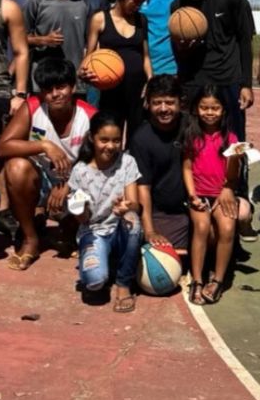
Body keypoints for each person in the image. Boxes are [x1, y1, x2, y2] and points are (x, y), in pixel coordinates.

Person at [0, 59, 96, 269]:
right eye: (48, 89)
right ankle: (30, 238)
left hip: (77, 181)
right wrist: (44, 146)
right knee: (15, 167)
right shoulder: (33, 107)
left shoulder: (89, 116)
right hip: (42, 178)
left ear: (73, 87)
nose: (55, 94)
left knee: (93, 190)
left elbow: (98, 164)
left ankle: (71, 230)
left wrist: (68, 185)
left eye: (61, 87)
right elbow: (3, 147)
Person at [171, 0, 254, 140]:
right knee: (195, 138)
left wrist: (246, 84)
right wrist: (183, 48)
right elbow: (178, 53)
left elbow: (243, 40)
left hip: (229, 78)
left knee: (234, 138)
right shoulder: (178, 6)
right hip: (195, 81)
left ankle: (239, 171)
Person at [68, 112, 142, 313]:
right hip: (94, 232)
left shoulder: (127, 162)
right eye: (104, 140)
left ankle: (123, 282)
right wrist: (79, 209)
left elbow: (135, 204)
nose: (111, 146)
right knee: (94, 282)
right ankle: (104, 260)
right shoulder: (80, 171)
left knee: (133, 221)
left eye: (116, 140)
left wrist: (127, 207)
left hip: (119, 229)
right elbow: (82, 219)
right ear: (92, 138)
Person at [183, 86, 241, 305]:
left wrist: (228, 187)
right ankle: (197, 279)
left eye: (215, 108)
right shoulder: (191, 135)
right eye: (204, 107)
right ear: (196, 109)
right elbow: (187, 168)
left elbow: (233, 176)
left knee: (227, 228)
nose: (209, 112)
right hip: (199, 195)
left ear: (224, 110)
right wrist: (192, 195)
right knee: (202, 227)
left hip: (222, 195)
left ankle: (218, 279)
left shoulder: (231, 138)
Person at [84, 0, 151, 138]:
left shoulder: (141, 19)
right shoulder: (100, 19)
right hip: (111, 87)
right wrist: (83, 71)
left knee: (137, 134)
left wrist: (150, 80)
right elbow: (89, 54)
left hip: (137, 87)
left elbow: (145, 56)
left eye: (141, 2)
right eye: (134, 1)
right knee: (111, 132)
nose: (137, 6)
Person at [133, 75, 190, 251]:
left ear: (180, 103)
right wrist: (149, 230)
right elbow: (143, 187)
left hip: (193, 206)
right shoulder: (141, 139)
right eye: (157, 103)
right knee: (161, 260)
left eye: (169, 102)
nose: (164, 109)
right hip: (160, 212)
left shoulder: (193, 126)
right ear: (147, 104)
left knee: (235, 215)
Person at [23, 0, 91, 96]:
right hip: (44, 84)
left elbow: (90, 41)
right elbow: (19, 40)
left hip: (75, 83)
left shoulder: (83, 2)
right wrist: (43, 40)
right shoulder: (36, 2)